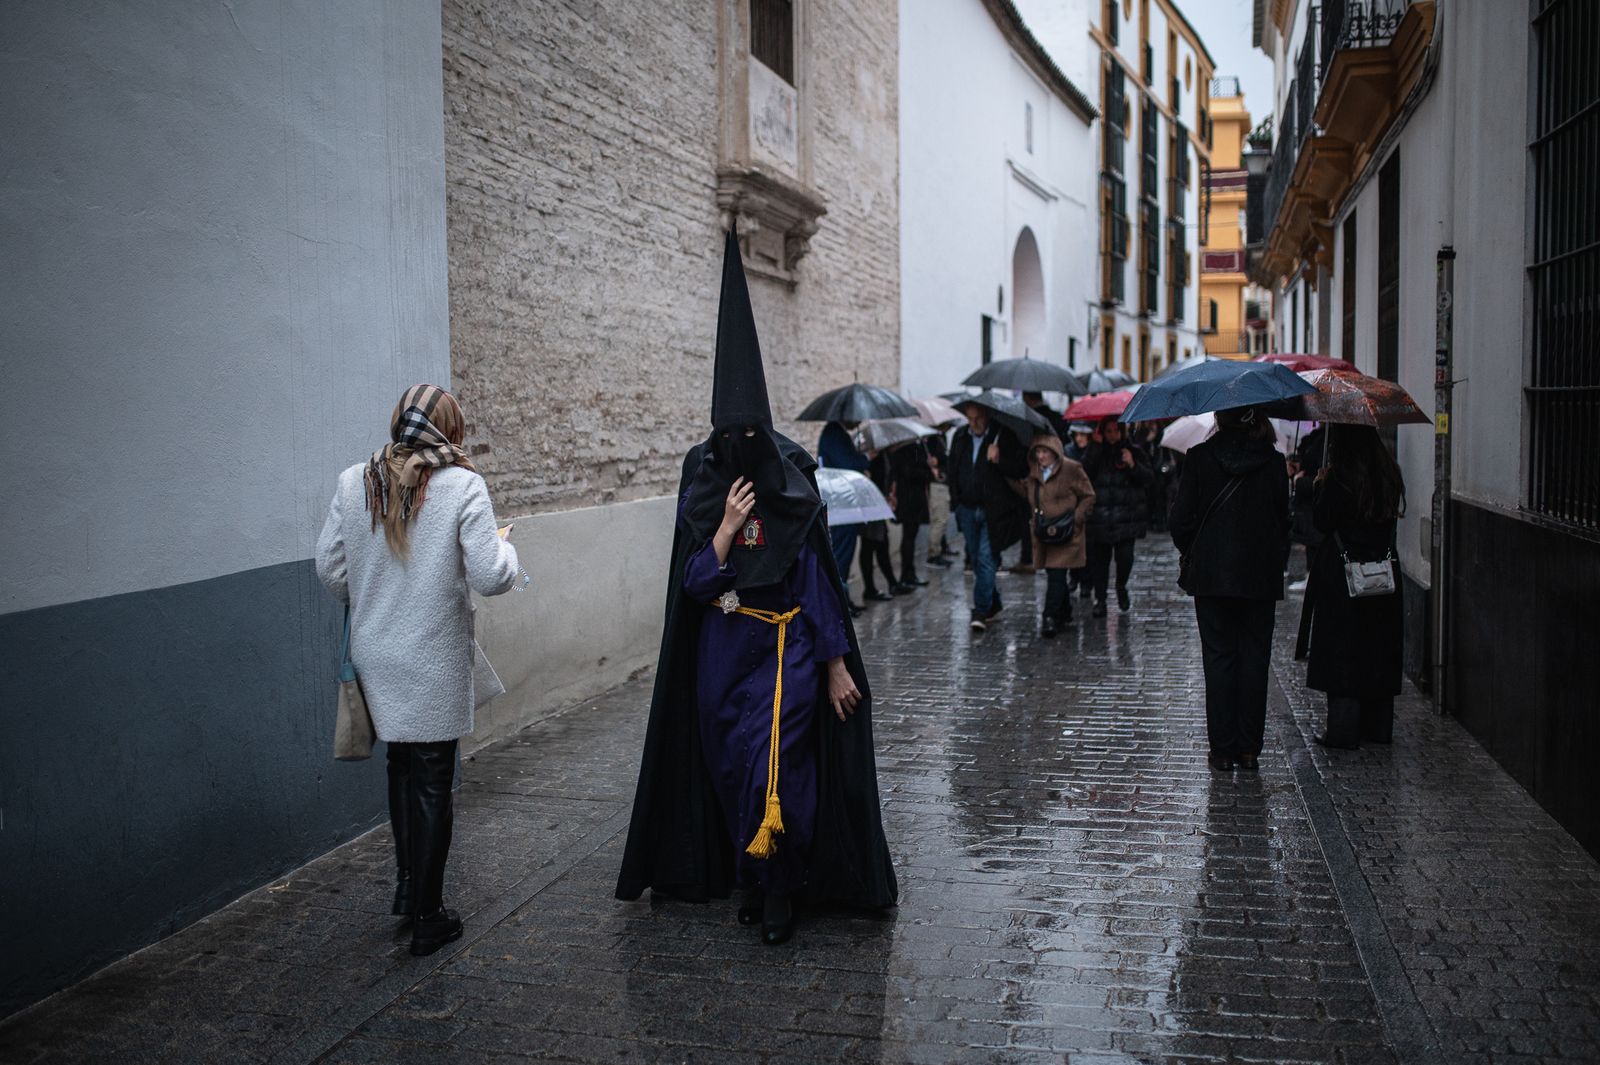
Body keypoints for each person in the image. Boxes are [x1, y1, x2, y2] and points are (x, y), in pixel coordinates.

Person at [616, 228, 896, 945]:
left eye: (751, 431)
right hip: (723, 647)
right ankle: (753, 869)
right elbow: (695, 583)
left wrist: (834, 662)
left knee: (786, 764)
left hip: (787, 646)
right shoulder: (703, 476)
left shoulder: (791, 473)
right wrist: (727, 525)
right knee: (735, 764)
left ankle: (781, 889)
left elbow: (815, 577)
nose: (740, 442)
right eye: (730, 431)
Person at [314, 383, 521, 956]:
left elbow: (331, 569)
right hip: (432, 655)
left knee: (402, 766)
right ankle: (430, 916)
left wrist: (376, 591)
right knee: (432, 778)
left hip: (376, 652)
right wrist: (507, 548)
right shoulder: (463, 485)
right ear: (451, 429)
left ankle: (409, 890)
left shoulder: (356, 481)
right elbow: (491, 576)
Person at [1169, 405, 1290, 772]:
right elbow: (1283, 521)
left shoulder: (1200, 457)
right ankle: (1249, 749)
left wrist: (1197, 550)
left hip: (1212, 575)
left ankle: (1222, 750)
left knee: (1219, 658)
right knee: (1255, 659)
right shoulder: (1274, 462)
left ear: (1220, 418)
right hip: (1260, 576)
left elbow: (1180, 520)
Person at [1303, 425, 1404, 749]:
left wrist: (1320, 486)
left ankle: (1343, 729)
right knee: (1378, 647)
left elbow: (1322, 521)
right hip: (1383, 573)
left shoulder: (1340, 477)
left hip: (1343, 574)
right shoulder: (1389, 472)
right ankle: (1378, 727)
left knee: (1343, 649)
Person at [948, 403, 1028, 631]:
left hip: (994, 511)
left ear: (988, 416)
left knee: (986, 558)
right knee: (976, 559)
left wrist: (999, 460)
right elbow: (953, 468)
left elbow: (1021, 469)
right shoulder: (960, 436)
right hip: (966, 508)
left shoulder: (1003, 436)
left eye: (979, 418)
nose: (975, 423)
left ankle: (980, 610)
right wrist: (956, 502)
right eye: (970, 418)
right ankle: (994, 603)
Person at [1009, 432, 1095, 637]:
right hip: (1044, 534)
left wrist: (1076, 519)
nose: (1041, 456)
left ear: (1055, 452)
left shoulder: (1071, 468)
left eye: (1045, 451)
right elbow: (1026, 492)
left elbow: (1088, 496)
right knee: (1054, 574)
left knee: (1056, 574)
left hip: (1066, 532)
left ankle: (1049, 616)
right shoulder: (1034, 473)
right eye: (1038, 452)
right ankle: (1064, 611)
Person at [1081, 416, 1154, 616]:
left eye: (1116, 431)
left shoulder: (1134, 451)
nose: (1113, 435)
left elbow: (1148, 478)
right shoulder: (1095, 451)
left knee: (1125, 558)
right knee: (1100, 562)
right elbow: (1084, 474)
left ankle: (1121, 586)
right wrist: (1095, 448)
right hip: (1100, 517)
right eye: (1109, 431)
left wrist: (1132, 464)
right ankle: (1101, 599)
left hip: (1126, 517)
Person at [817, 419, 869, 616]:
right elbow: (848, 464)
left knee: (844, 555)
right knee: (841, 556)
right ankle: (840, 605)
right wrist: (866, 458)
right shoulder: (834, 433)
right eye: (856, 417)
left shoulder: (837, 433)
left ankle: (843, 601)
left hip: (843, 502)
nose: (859, 421)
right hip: (841, 502)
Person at [859, 449, 907, 600]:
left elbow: (887, 476)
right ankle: (876, 587)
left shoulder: (884, 454)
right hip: (871, 505)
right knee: (872, 545)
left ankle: (888, 584)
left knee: (878, 544)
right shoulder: (872, 455)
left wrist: (890, 494)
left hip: (878, 503)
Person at [889, 439, 934, 587]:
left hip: (906, 499)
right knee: (909, 537)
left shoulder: (899, 451)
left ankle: (908, 573)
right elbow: (913, 473)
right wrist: (929, 469)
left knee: (909, 537)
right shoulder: (912, 449)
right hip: (911, 501)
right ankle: (907, 574)